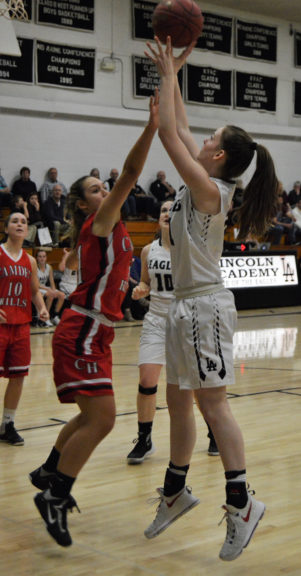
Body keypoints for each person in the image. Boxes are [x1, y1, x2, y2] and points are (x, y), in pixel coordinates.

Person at [143, 37, 278, 561]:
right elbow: (175, 128)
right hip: (182, 306)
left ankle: (242, 503)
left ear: (217, 155)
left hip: (203, 307)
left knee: (213, 405)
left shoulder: (211, 191)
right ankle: (176, 490)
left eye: (209, 139)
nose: (200, 139)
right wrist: (171, 71)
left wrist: (170, 77)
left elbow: (172, 138)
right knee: (178, 399)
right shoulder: (206, 179)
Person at [29, 92, 159, 548]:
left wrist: (134, 292)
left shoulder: (121, 231)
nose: (106, 192)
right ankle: (55, 496)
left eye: (105, 189)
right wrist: (151, 128)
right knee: (103, 420)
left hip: (97, 333)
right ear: (85, 205)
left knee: (90, 416)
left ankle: (49, 469)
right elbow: (130, 174)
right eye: (96, 190)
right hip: (81, 329)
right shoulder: (97, 226)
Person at [127, 200, 218, 464]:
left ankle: (213, 432)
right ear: (158, 219)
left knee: (194, 385)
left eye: (172, 210)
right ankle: (144, 439)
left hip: (185, 323)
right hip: (155, 320)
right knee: (147, 379)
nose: (167, 213)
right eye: (163, 210)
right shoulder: (148, 251)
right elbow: (145, 280)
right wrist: (141, 288)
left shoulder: (191, 249)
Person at [0, 213, 48, 445]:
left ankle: (7, 424)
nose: (20, 224)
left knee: (18, 376)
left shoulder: (29, 260)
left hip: (20, 326)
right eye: (15, 221)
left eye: (23, 222)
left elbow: (35, 290)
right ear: (7, 227)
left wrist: (41, 308)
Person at [36, 249, 65, 326]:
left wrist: (54, 290)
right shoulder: (34, 267)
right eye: (40, 256)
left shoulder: (49, 267)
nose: (42, 258)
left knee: (62, 295)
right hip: (37, 288)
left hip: (46, 288)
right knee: (50, 294)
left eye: (44, 256)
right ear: (37, 258)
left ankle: (55, 316)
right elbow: (35, 284)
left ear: (46, 258)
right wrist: (48, 289)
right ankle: (46, 317)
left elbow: (52, 282)